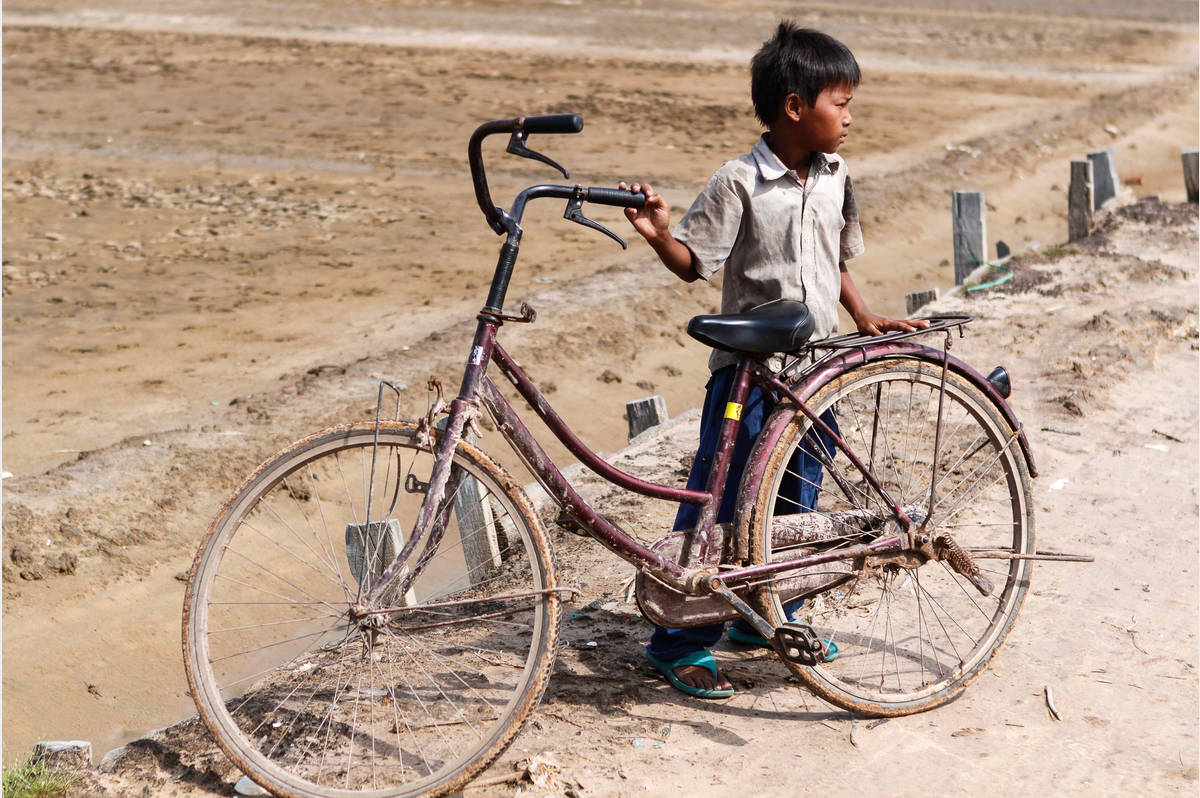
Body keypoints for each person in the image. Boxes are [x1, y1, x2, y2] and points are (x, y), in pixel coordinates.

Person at [621, 22, 927, 699]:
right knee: (721, 501)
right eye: (840, 103)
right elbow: (693, 265)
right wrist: (659, 234)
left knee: (793, 505)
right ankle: (678, 638)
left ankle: (764, 614)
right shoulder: (738, 182)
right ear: (795, 107)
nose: (850, 117)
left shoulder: (836, 174)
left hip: (816, 375)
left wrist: (865, 317)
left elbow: (836, 259)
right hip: (749, 378)